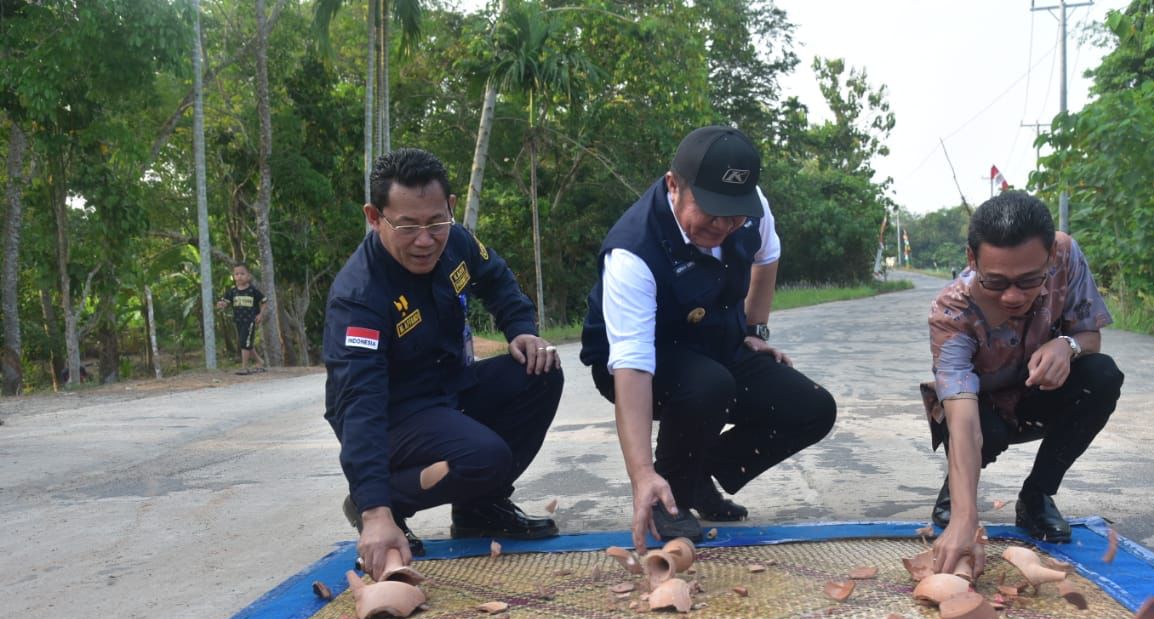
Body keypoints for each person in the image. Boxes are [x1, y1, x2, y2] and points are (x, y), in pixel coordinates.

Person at [580, 126, 836, 550]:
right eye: (711, 211)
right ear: (673, 185)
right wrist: (642, 474)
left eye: (733, 214)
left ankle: (700, 472)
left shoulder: (752, 211)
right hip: (644, 361)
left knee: (812, 408)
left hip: (716, 345)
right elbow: (633, 366)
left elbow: (767, 257)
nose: (723, 225)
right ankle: (670, 497)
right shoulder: (633, 252)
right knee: (707, 385)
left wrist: (755, 330)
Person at [323, 148, 563, 578]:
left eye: (436, 222)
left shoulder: (456, 241)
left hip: (449, 389)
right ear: (375, 217)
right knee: (484, 457)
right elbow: (361, 406)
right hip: (394, 415)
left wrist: (521, 329)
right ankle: (380, 503)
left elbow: (498, 278)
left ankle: (479, 509)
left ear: (450, 207)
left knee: (540, 370)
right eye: (407, 226)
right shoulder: (359, 297)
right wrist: (377, 511)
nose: (425, 240)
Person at [923, 190, 1124, 574]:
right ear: (972, 259)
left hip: (1038, 393)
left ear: (1050, 257)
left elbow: (1090, 338)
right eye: (996, 282)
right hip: (981, 408)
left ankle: (1037, 497)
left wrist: (1066, 346)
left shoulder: (1066, 255)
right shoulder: (951, 310)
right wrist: (967, 518)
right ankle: (958, 495)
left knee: (1101, 375)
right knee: (980, 430)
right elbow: (962, 414)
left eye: (1029, 280)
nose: (1013, 296)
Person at [217, 262, 268, 375]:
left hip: (250, 321)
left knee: (244, 343)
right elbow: (225, 302)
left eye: (242, 273)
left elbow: (264, 301)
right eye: (236, 274)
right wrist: (221, 304)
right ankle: (260, 361)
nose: (239, 276)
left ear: (249, 276)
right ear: (233, 276)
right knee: (245, 342)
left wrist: (261, 315)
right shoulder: (232, 291)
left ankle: (244, 367)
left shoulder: (253, 291)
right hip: (238, 321)